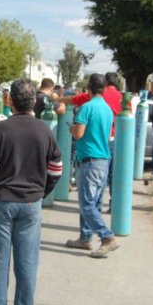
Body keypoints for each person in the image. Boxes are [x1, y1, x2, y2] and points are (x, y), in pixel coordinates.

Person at [0, 79, 62, 305]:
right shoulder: (45, 130)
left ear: (10, 101)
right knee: (27, 264)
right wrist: (41, 193)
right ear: (34, 101)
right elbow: (56, 169)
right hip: (31, 204)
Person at [65, 73, 119, 259]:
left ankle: (107, 237)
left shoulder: (86, 107)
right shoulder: (107, 109)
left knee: (86, 205)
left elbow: (78, 134)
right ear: (104, 88)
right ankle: (85, 238)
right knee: (94, 203)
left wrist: (71, 128)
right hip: (103, 161)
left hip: (89, 162)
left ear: (88, 87)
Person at [59, 72, 122, 212]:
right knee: (109, 177)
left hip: (91, 149)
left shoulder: (91, 101)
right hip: (112, 141)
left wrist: (59, 99)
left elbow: (74, 100)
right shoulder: (121, 98)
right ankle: (112, 205)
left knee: (87, 198)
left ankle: (95, 224)